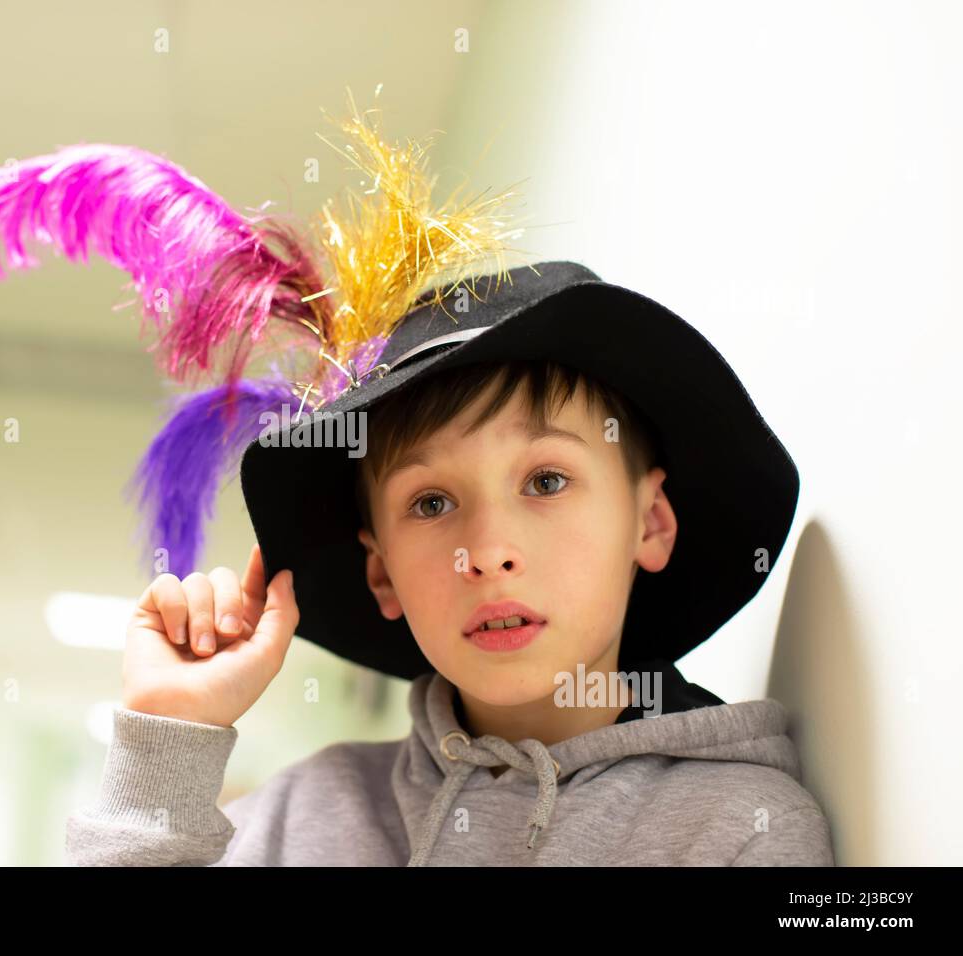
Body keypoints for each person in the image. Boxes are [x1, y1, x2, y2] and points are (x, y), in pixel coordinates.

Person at [64, 261, 836, 867]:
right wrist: (167, 739)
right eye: (431, 504)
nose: (488, 553)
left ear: (652, 522)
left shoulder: (741, 830)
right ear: (383, 576)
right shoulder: (306, 814)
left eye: (547, 481)